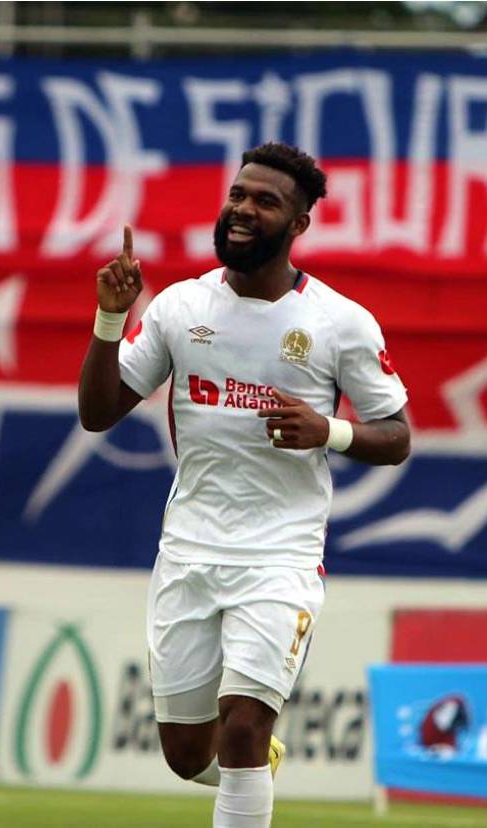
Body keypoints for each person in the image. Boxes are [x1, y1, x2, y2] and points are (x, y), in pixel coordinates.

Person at [77, 142, 411, 828]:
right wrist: (111, 320)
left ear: (299, 224)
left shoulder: (339, 323)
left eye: (265, 202)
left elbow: (397, 434)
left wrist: (331, 432)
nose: (242, 210)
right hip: (189, 553)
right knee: (183, 751)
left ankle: (252, 759)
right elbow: (98, 412)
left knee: (242, 729)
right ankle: (254, 766)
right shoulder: (179, 307)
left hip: (280, 558)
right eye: (238, 195)